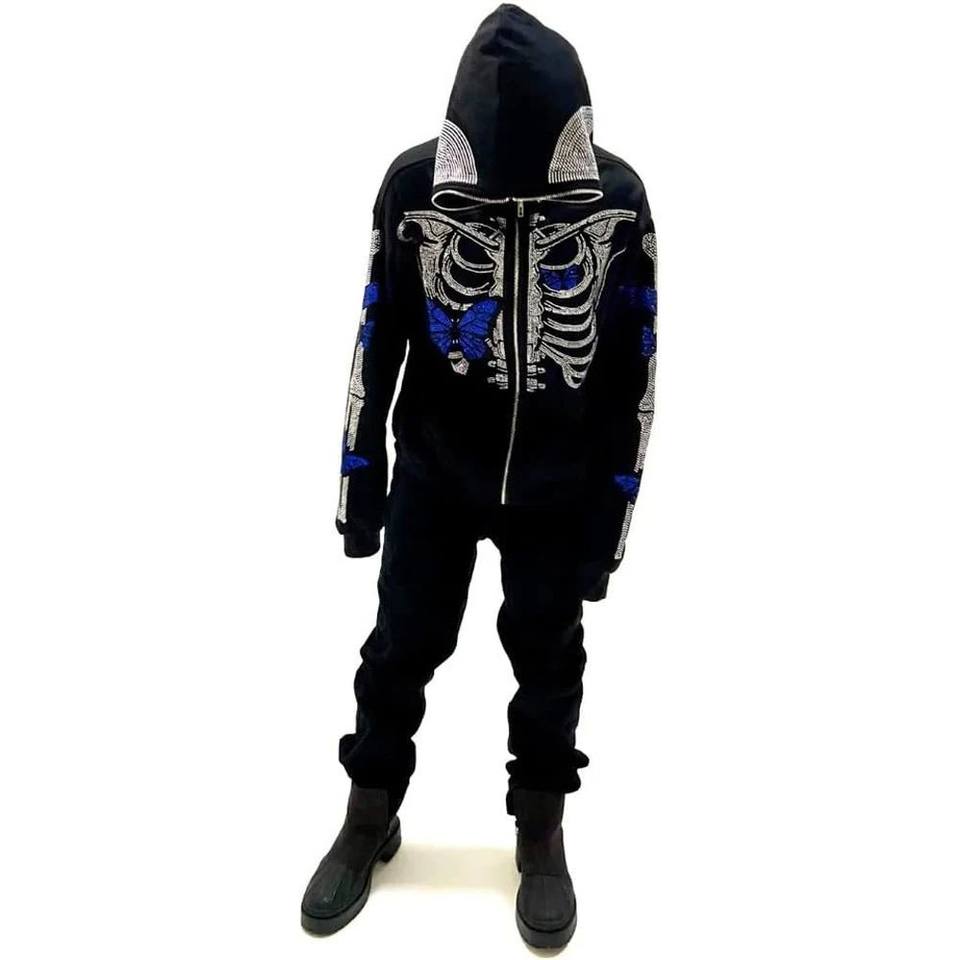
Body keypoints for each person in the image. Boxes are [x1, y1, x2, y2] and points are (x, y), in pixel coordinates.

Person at [301, 4, 657, 948]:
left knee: (550, 660)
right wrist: (360, 489)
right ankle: (370, 811)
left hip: (557, 486)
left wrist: (609, 525)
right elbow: (376, 335)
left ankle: (541, 828)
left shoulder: (618, 200)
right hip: (436, 471)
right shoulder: (413, 186)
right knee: (399, 647)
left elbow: (636, 366)